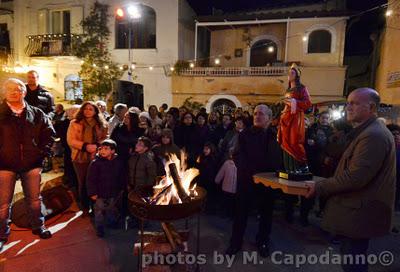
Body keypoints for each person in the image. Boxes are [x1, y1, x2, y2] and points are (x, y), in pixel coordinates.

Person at [306, 88, 396, 272]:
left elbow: (355, 178)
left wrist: (320, 187)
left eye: (354, 103)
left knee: (353, 262)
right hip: (357, 210)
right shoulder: (366, 132)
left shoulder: (373, 135)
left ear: (371, 107)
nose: (348, 107)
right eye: (348, 103)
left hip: (359, 212)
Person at [0, 78, 56, 250]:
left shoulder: (36, 113)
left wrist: (41, 154)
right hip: (4, 165)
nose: (14, 92)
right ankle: (2, 234)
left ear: (24, 92)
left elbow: (49, 134)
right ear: (4, 92)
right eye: (10, 89)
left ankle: (38, 226)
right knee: (2, 204)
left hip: (31, 164)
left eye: (18, 89)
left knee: (34, 200)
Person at [226, 104, 283, 257]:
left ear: (270, 119)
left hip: (268, 182)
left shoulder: (275, 135)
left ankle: (263, 241)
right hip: (247, 180)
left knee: (266, 215)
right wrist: (250, 172)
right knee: (241, 215)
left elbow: (278, 158)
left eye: (262, 114)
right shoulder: (245, 134)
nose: (257, 116)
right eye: (256, 113)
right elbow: (237, 155)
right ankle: (235, 243)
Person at [67, 101, 108, 214]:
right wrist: (85, 146)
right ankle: (84, 207)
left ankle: (95, 206)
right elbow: (71, 140)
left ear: (95, 111)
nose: (88, 111)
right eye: (86, 109)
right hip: (79, 157)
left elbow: (106, 137)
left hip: (96, 156)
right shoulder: (75, 123)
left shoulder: (101, 123)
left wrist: (97, 146)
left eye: (91, 109)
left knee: (95, 181)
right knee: (83, 182)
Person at [277, 64, 312, 173]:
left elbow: (308, 103)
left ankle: (300, 166)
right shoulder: (288, 90)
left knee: (294, 141)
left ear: (297, 75)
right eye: (289, 72)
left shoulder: (302, 88)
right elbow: (286, 105)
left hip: (295, 118)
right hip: (286, 118)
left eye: (292, 73)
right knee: (285, 141)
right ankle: (289, 168)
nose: (290, 74)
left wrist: (294, 102)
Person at [87, 139, 125, 237]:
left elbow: (120, 176)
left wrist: (121, 188)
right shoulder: (96, 163)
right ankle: (100, 228)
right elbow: (91, 179)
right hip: (100, 193)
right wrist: (92, 193)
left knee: (111, 208)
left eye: (106, 149)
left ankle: (111, 223)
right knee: (99, 210)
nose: (102, 151)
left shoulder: (117, 162)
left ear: (112, 151)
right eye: (101, 149)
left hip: (112, 192)